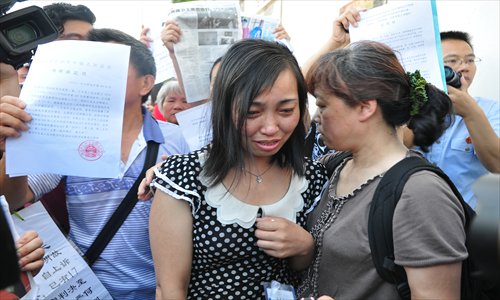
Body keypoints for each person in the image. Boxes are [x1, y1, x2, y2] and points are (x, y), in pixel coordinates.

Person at [0, 28, 190, 300]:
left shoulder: (177, 138)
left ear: (146, 83)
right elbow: (14, 196)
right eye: (93, 64)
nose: (97, 73)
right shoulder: (68, 138)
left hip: (162, 292)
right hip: (92, 291)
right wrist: (14, 145)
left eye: (110, 64)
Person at [148, 39, 328, 299]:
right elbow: (170, 289)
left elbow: (303, 270)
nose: (270, 127)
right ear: (223, 107)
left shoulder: (314, 177)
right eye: (252, 113)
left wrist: (304, 248)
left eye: (286, 110)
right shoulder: (182, 178)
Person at [297, 40, 466, 299]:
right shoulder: (334, 166)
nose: (316, 116)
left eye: (322, 105)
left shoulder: (421, 194)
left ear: (365, 107)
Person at [420, 31, 500, 209]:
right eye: (452, 61)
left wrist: (471, 113)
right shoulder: (413, 107)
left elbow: (497, 164)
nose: (464, 67)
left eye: (470, 60)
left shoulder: (491, 109)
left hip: (463, 220)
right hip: (412, 217)